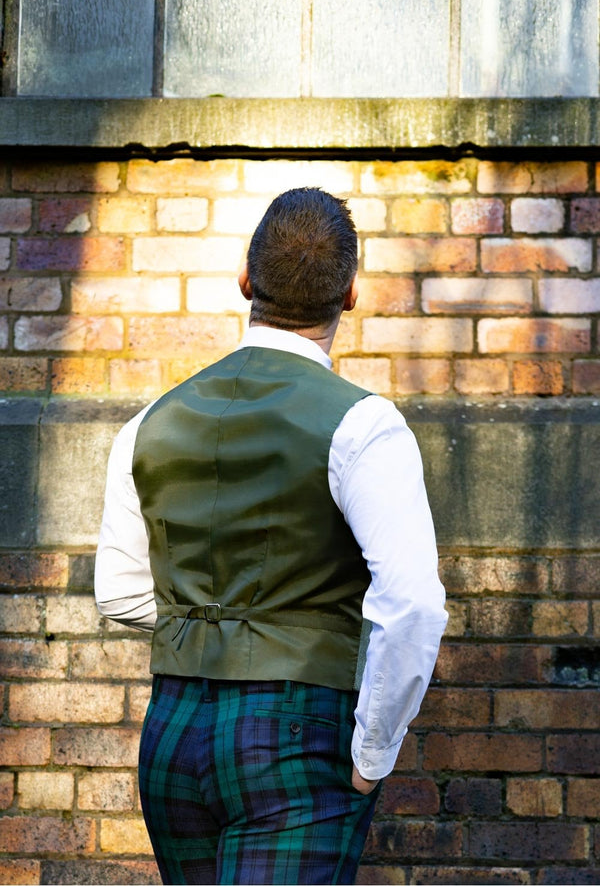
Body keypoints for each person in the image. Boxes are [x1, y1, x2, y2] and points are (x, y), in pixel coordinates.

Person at [95, 186, 448, 886]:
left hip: (173, 729)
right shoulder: (364, 425)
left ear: (245, 279)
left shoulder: (149, 422)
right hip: (297, 729)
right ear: (350, 293)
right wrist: (372, 753)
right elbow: (411, 603)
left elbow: (119, 594)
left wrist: (213, 625)